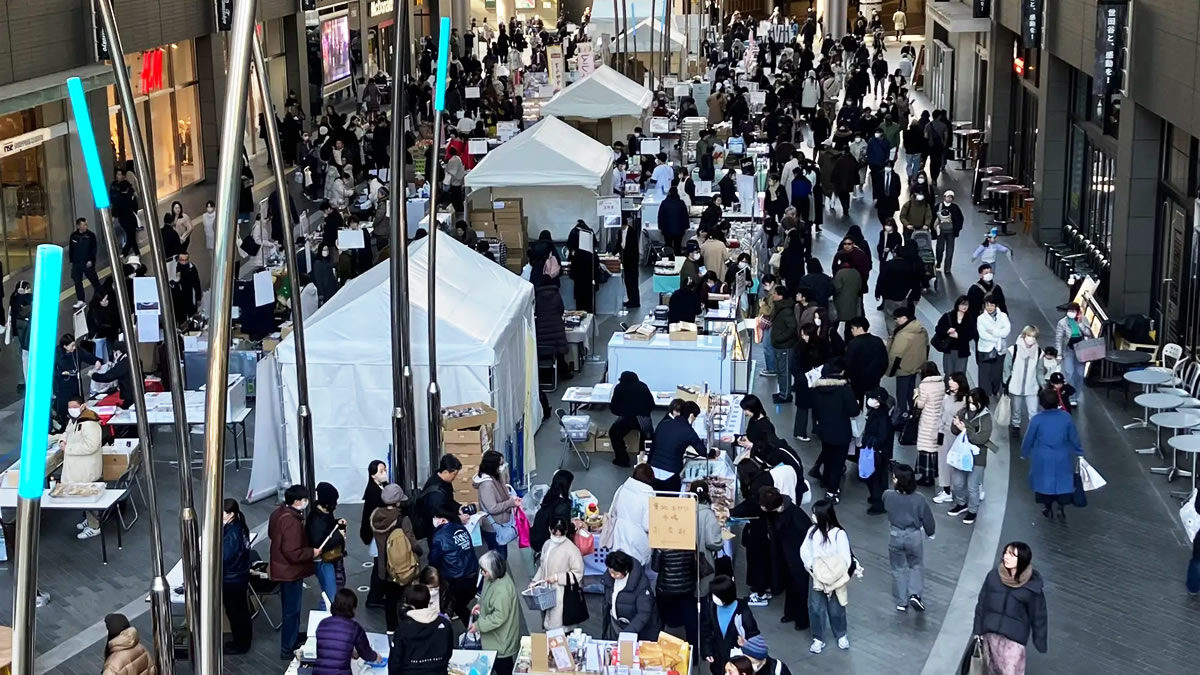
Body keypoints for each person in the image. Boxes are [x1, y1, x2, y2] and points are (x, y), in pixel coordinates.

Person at [972, 542, 1048, 672]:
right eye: (1006, 553)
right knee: (989, 670)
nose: (1007, 557)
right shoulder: (993, 576)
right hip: (990, 636)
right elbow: (982, 604)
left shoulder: (1031, 587)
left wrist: (1040, 640)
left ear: (1022, 560)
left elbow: (1039, 615)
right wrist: (977, 630)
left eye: (1012, 555)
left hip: (1013, 641)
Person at [268, 484, 317, 660]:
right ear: (297, 501)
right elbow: (294, 552)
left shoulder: (278, 513)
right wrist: (312, 552)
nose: (306, 503)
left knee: (291, 609)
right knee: (291, 610)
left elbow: (272, 535)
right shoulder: (292, 522)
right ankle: (287, 647)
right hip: (289, 571)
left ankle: (293, 638)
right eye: (304, 500)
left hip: (281, 567)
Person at [1022, 388, 1084, 522]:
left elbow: (1029, 438)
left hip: (1042, 457)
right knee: (1062, 483)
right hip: (1062, 456)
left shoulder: (1037, 419)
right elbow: (1074, 437)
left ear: (1041, 403)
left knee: (1044, 484)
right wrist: (1079, 451)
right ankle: (1061, 506)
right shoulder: (1066, 417)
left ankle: (1047, 507)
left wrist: (1024, 452)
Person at [800, 498, 853, 653]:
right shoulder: (812, 532)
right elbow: (805, 551)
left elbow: (846, 558)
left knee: (837, 608)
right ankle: (818, 638)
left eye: (815, 514)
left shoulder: (839, 534)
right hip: (817, 575)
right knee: (815, 607)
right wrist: (812, 566)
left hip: (836, 578)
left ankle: (841, 634)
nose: (813, 516)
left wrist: (833, 574)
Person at [757, 486, 812, 633]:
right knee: (789, 585)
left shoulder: (795, 515)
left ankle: (802, 618)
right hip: (785, 554)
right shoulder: (780, 511)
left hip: (798, 557)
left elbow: (808, 537)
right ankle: (790, 613)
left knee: (800, 587)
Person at [883, 464, 936, 612]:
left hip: (895, 534)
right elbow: (928, 519)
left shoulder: (888, 495)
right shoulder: (919, 499)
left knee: (898, 568)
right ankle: (915, 594)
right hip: (914, 535)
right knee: (916, 565)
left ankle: (901, 601)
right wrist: (930, 533)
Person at [372, 483, 421, 632]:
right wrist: (419, 552)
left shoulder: (375, 516)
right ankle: (407, 625)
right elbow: (412, 542)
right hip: (401, 566)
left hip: (384, 566)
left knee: (390, 598)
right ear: (398, 501)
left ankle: (391, 627)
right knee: (405, 596)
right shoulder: (402, 520)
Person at [51, 398, 102, 538]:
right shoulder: (74, 420)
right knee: (82, 497)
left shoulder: (90, 423)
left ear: (82, 406)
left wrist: (68, 448)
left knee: (88, 496)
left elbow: (91, 446)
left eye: (74, 406)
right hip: (77, 467)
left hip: (85, 468)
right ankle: (89, 519)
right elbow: (67, 432)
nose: (71, 409)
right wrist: (62, 440)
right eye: (70, 406)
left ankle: (95, 525)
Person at [809, 363, 860, 501]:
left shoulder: (816, 389)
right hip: (842, 430)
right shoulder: (845, 389)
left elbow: (814, 410)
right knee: (838, 462)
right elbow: (853, 411)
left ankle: (825, 480)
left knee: (828, 456)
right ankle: (832, 491)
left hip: (824, 430)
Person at [946, 388, 996, 524]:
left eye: (974, 402)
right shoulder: (963, 412)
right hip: (962, 454)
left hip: (977, 456)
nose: (971, 405)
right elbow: (953, 430)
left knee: (972, 486)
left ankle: (972, 510)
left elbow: (981, 438)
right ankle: (961, 503)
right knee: (957, 482)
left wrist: (965, 430)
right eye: (969, 402)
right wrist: (956, 426)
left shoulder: (985, 417)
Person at [429, 507, 481, 627]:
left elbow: (434, 560)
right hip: (471, 573)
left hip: (454, 579)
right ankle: (473, 626)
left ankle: (471, 627)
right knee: (459, 604)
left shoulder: (439, 536)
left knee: (453, 605)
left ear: (442, 520)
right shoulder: (461, 528)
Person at [698, 574, 760, 675]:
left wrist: (746, 644)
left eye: (716, 595)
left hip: (736, 661)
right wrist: (707, 651)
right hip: (718, 657)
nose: (713, 597)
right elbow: (706, 631)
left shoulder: (743, 611)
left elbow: (753, 635)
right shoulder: (711, 607)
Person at [471, 551, 521, 675]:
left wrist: (478, 626)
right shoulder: (494, 577)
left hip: (501, 642)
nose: (482, 573)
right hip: (497, 639)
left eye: (484, 570)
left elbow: (499, 617)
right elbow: (486, 595)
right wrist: (480, 604)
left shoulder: (502, 591)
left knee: (503, 669)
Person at [531, 517, 585, 630]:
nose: (557, 538)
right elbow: (542, 566)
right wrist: (535, 581)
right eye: (555, 534)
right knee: (548, 620)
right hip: (547, 591)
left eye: (560, 535)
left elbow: (578, 573)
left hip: (563, 594)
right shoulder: (547, 544)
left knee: (559, 626)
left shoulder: (571, 549)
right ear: (550, 530)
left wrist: (557, 578)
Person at [389, 584, 454, 675]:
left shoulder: (403, 629)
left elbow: (395, 661)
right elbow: (448, 652)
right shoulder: (445, 624)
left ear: (410, 605)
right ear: (428, 600)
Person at [313, 589, 382, 672]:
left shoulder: (322, 624)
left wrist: (350, 651)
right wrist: (376, 657)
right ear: (353, 608)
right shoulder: (355, 628)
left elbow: (326, 649)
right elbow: (366, 653)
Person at [601, 549, 660, 641]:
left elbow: (644, 613)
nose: (612, 575)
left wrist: (628, 633)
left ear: (626, 570)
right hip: (615, 624)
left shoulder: (641, 585)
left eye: (616, 574)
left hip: (636, 629)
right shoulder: (609, 578)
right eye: (610, 571)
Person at [307, 482, 347, 610]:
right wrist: (339, 535)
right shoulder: (316, 520)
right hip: (323, 561)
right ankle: (325, 620)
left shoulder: (323, 512)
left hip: (328, 559)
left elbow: (327, 529)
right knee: (330, 596)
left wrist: (337, 522)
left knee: (330, 592)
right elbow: (319, 543)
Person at [650, 401, 705, 493]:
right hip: (671, 472)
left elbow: (653, 447)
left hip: (653, 469)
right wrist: (713, 452)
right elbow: (703, 452)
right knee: (672, 500)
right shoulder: (688, 431)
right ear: (691, 416)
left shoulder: (664, 423)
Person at [475, 449, 520, 559]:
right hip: (494, 527)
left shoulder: (496, 477)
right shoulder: (486, 485)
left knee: (501, 554)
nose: (502, 466)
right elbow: (492, 508)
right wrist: (510, 503)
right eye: (500, 464)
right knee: (498, 558)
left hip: (501, 522)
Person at [222, 498, 253, 654]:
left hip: (231, 578)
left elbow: (225, 556)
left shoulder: (232, 533)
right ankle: (244, 640)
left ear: (231, 514)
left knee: (235, 612)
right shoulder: (240, 526)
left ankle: (240, 643)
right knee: (241, 609)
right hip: (240, 576)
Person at [413, 454, 465, 545]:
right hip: (436, 530)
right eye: (454, 474)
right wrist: (458, 519)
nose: (455, 477)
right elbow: (441, 512)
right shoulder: (435, 493)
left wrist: (458, 508)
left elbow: (448, 500)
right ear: (445, 472)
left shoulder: (442, 481)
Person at [888, 306, 929, 420]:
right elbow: (927, 346)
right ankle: (912, 412)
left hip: (903, 368)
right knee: (911, 391)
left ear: (905, 318)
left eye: (897, 318)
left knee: (901, 394)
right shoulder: (921, 329)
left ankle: (902, 415)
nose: (896, 321)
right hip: (916, 366)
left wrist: (890, 371)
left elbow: (896, 355)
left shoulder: (903, 335)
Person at [609, 464, 656, 564]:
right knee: (635, 570)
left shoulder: (622, 488)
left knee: (619, 566)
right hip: (637, 539)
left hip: (619, 534)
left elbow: (612, 511)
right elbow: (647, 525)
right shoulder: (648, 496)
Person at [1004, 326, 1048, 434]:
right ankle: (1016, 425)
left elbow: (1039, 370)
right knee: (1016, 409)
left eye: (1033, 336)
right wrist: (1006, 382)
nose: (1031, 338)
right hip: (1015, 385)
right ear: (1024, 335)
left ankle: (1033, 428)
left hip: (1032, 386)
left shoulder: (1039, 352)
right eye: (1029, 335)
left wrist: (1042, 384)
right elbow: (1007, 368)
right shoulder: (1013, 350)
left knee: (1033, 411)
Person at [860, 387, 896, 514]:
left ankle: (879, 503)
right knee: (874, 477)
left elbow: (882, 437)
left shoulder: (881, 417)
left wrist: (867, 442)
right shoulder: (877, 413)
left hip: (877, 452)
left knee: (876, 478)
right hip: (875, 451)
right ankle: (876, 498)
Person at [609, 371, 655, 467]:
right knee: (648, 437)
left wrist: (621, 413)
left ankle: (622, 459)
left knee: (614, 433)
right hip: (643, 417)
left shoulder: (619, 387)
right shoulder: (643, 386)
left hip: (626, 417)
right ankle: (645, 461)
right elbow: (651, 404)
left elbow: (613, 407)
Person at [359, 460, 389, 608]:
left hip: (378, 533)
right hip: (376, 534)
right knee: (379, 566)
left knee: (380, 565)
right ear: (373, 475)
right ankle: (374, 597)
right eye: (381, 471)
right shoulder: (373, 492)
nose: (384, 473)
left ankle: (377, 595)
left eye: (385, 470)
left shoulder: (380, 487)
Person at [1054, 302, 1093, 406]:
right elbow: (1059, 338)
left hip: (1081, 350)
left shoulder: (1083, 319)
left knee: (1079, 374)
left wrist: (1080, 324)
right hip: (1069, 350)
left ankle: (1077, 394)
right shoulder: (1062, 323)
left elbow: (1089, 333)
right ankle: (1071, 396)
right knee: (1069, 373)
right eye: (1069, 311)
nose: (1070, 313)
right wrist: (1058, 354)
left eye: (1073, 311)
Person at [912, 361, 945, 484]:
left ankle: (926, 477)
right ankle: (933, 473)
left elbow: (920, 404)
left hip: (927, 419)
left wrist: (916, 395)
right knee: (934, 448)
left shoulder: (924, 386)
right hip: (938, 418)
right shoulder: (941, 383)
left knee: (925, 448)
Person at [530, 470, 575, 556]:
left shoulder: (550, 496)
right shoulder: (563, 507)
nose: (572, 486)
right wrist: (573, 526)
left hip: (536, 537)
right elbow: (562, 530)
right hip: (546, 541)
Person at [976, 295, 1012, 399]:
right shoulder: (981, 318)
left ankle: (995, 391)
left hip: (1000, 350)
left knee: (997, 373)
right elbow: (983, 334)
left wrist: (994, 332)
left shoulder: (1003, 316)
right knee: (984, 375)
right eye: (987, 305)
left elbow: (1006, 332)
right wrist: (998, 337)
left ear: (996, 305)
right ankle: (985, 396)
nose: (989, 307)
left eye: (992, 305)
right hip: (985, 350)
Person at [845, 317, 889, 401]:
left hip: (857, 381)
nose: (851, 330)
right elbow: (884, 361)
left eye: (853, 328)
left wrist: (849, 376)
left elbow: (849, 364)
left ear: (860, 328)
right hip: (874, 379)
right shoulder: (878, 341)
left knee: (858, 401)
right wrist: (878, 375)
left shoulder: (853, 344)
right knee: (873, 401)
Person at [769, 284, 799, 402]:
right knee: (781, 370)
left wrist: (780, 338)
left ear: (781, 296)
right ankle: (782, 392)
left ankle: (785, 395)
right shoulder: (780, 308)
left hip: (785, 346)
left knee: (784, 371)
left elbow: (792, 327)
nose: (773, 295)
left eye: (776, 293)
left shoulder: (785, 310)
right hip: (779, 345)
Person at [934, 296, 974, 378]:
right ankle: (949, 389)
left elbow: (972, 334)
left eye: (966, 305)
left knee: (960, 375)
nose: (964, 307)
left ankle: (959, 390)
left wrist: (958, 336)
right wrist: (947, 332)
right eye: (962, 304)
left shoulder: (970, 318)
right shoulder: (948, 316)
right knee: (949, 373)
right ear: (957, 305)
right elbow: (938, 329)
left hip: (962, 351)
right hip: (949, 349)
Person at [68, 217, 101, 307]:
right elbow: (71, 248)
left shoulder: (91, 235)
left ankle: (100, 296)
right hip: (77, 263)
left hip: (87, 262)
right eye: (84, 224)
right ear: (78, 226)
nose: (86, 226)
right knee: (77, 281)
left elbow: (94, 249)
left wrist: (91, 260)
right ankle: (81, 300)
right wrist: (72, 260)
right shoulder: (73, 236)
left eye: (86, 224)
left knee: (94, 280)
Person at [935, 190, 964, 271]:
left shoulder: (955, 208)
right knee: (939, 248)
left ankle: (947, 268)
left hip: (951, 232)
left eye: (951, 197)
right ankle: (939, 261)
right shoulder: (938, 206)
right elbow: (934, 217)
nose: (949, 198)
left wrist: (957, 229)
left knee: (950, 251)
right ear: (944, 197)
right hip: (940, 231)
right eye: (948, 196)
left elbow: (960, 219)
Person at [659, 186, 690, 254]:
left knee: (668, 247)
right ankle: (678, 261)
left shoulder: (664, 203)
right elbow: (685, 216)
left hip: (667, 230)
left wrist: (661, 227)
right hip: (679, 230)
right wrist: (686, 227)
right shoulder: (681, 203)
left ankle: (668, 261)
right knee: (678, 247)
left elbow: (660, 216)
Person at [618, 219, 642, 309]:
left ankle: (635, 301)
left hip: (632, 261)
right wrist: (613, 253)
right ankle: (630, 299)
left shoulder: (632, 232)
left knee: (633, 281)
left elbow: (633, 248)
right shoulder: (620, 232)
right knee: (627, 281)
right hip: (625, 261)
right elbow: (618, 244)